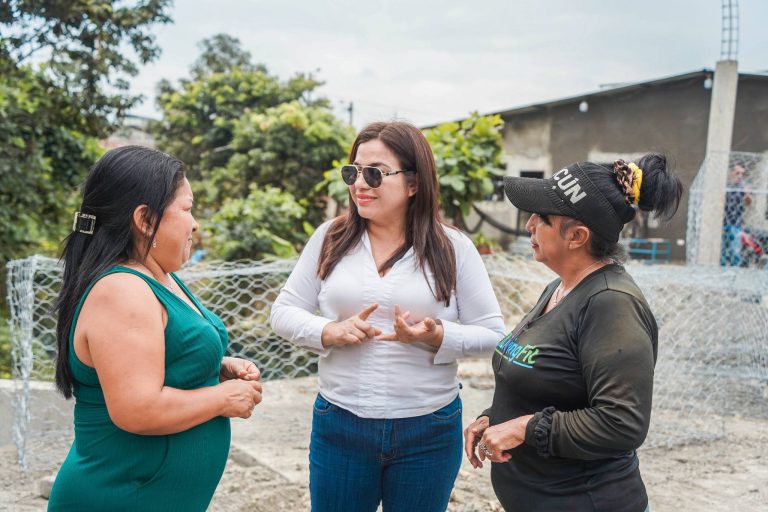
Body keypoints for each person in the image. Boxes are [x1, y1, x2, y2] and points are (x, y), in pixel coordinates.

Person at [270, 121, 506, 511]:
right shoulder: (330, 237)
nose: (360, 183)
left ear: (414, 183)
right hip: (340, 422)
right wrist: (328, 330)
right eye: (353, 172)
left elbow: (494, 334)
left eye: (375, 173)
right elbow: (283, 311)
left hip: (428, 429)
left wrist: (438, 336)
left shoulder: (454, 249)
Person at [48, 146, 263, 511]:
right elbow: (137, 409)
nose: (194, 223)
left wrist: (213, 366)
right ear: (146, 220)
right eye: (187, 209)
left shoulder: (158, 274)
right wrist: (221, 399)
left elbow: (160, 352)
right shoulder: (122, 290)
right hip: (122, 497)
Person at [464, 156, 683, 512]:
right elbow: (552, 381)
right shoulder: (559, 287)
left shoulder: (611, 304)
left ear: (578, 236)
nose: (530, 224)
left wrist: (523, 428)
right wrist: (496, 417)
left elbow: (621, 422)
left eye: (543, 219)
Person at [721, 163, 752, 267]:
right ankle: (722, 274)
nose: (740, 176)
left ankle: (734, 274)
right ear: (731, 173)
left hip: (737, 224)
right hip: (724, 223)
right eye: (737, 173)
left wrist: (747, 193)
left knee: (735, 252)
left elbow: (748, 203)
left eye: (742, 174)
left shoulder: (743, 187)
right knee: (723, 253)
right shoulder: (726, 186)